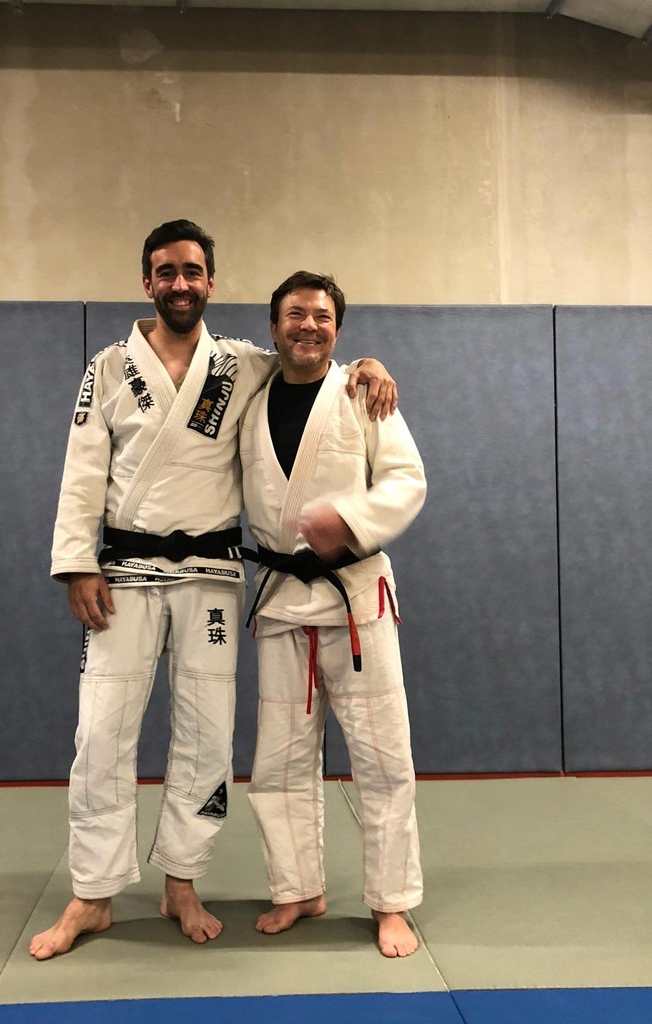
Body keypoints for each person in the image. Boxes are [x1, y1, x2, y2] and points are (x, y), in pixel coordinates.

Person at [29, 222, 398, 960]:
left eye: (193, 272)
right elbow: (82, 468)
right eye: (166, 272)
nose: (180, 283)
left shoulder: (239, 363)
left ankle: (181, 881)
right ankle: (93, 892)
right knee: (101, 731)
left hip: (212, 576)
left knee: (205, 736)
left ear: (210, 282)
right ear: (147, 282)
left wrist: (367, 362)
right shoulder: (107, 367)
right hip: (124, 574)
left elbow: (309, 358)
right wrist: (76, 561)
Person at [241, 271, 426, 958]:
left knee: (383, 758)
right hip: (284, 602)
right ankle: (298, 889)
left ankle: (392, 903)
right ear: (273, 326)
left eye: (322, 316)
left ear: (338, 330)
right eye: (295, 314)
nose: (308, 326)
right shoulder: (249, 395)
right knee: (279, 760)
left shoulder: (361, 393)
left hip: (356, 600)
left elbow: (407, 480)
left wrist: (349, 520)